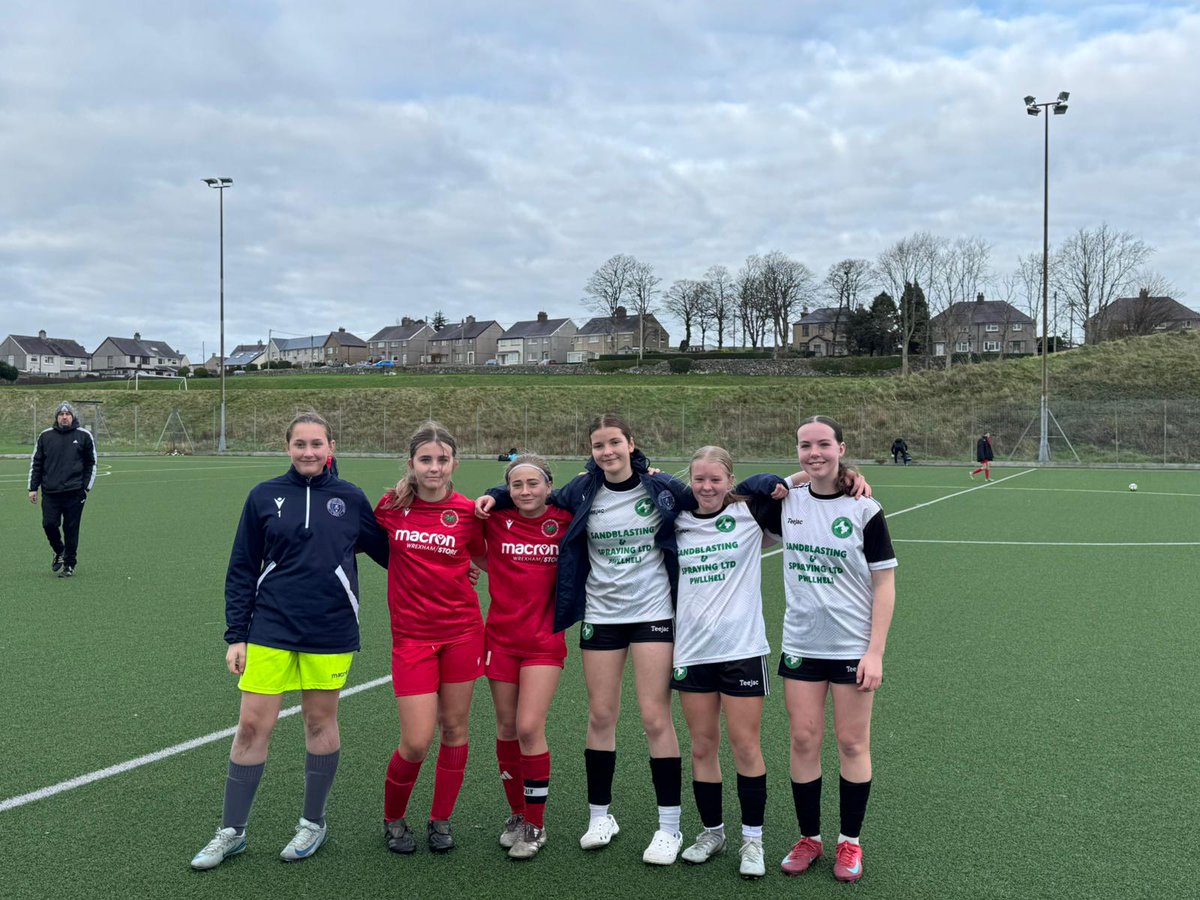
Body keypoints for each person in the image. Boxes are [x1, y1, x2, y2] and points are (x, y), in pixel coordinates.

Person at [477, 413, 693, 865]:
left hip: (653, 612)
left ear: (631, 444)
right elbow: (535, 493)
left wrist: (781, 480)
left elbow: (714, 495)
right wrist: (497, 493)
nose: (607, 451)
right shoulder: (582, 491)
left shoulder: (662, 487)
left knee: (655, 718)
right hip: (602, 614)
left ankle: (669, 827)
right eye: (599, 445)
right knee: (600, 715)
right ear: (592, 452)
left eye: (614, 442)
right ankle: (601, 816)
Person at [190, 411, 389, 870]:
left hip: (331, 628)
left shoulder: (350, 498)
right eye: (300, 444)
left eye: (317, 444)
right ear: (288, 448)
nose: (309, 452)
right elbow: (241, 567)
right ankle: (232, 831)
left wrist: (454, 567)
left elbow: (393, 555)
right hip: (270, 628)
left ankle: (313, 823)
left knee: (320, 724)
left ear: (331, 447)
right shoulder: (263, 496)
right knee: (252, 727)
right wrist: (236, 635)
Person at [745, 416, 896, 884]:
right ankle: (809, 837)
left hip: (852, 645)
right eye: (805, 446)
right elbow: (742, 498)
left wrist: (875, 652)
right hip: (802, 645)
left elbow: (885, 583)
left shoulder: (865, 508)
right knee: (804, 740)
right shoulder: (786, 502)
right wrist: (793, 480)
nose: (815, 453)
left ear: (841, 448)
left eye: (824, 445)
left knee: (852, 742)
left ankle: (849, 842)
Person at [375, 422, 486, 855]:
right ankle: (393, 817)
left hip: (462, 633)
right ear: (412, 464)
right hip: (412, 638)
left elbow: (484, 558)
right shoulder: (390, 507)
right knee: (417, 740)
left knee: (455, 728)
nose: (434, 468)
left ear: (454, 463)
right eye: (426, 460)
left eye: (442, 460)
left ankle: (441, 820)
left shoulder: (469, 513)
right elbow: (370, 544)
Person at [671, 446, 776, 879]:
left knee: (745, 746)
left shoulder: (751, 516)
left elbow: (798, 486)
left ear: (730, 480)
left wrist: (851, 479)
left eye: (715, 479)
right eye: (699, 479)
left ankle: (753, 840)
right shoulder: (676, 520)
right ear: (689, 480)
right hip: (692, 651)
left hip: (742, 649)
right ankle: (713, 831)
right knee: (702, 746)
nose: (707, 487)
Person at [481, 454, 573, 859]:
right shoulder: (495, 518)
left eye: (533, 483)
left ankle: (536, 825)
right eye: (516, 485)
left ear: (548, 486)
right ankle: (516, 813)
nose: (525, 492)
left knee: (529, 726)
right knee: (505, 727)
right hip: (499, 639)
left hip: (543, 642)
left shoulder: (566, 518)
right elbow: (466, 546)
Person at [27, 401, 97, 578]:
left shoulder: (84, 436)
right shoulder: (45, 436)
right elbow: (37, 463)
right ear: (56, 417)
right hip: (51, 492)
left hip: (74, 492)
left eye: (67, 414)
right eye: (61, 414)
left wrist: (85, 488)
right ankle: (59, 550)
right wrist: (33, 488)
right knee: (49, 524)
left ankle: (69, 564)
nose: (64, 417)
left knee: (71, 529)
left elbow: (91, 462)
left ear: (73, 417)